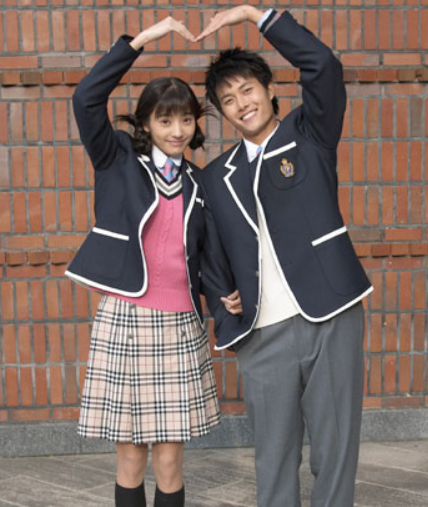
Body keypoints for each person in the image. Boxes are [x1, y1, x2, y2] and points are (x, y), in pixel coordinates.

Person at [197, 6, 373, 507]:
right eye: (228, 100)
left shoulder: (311, 132)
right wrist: (222, 297)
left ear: (270, 89)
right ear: (223, 113)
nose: (242, 104)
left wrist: (256, 14)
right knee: (272, 461)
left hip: (331, 315)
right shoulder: (216, 176)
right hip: (262, 332)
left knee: (334, 455)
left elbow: (323, 66)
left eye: (248, 89)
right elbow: (209, 249)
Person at [65, 18, 220, 507]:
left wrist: (227, 300)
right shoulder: (117, 160)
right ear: (147, 123)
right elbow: (85, 98)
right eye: (165, 120)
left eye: (186, 120)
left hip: (179, 324)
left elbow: (210, 256)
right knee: (130, 457)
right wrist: (139, 43)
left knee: (170, 460)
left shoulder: (199, 182)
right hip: (126, 320)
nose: (177, 131)